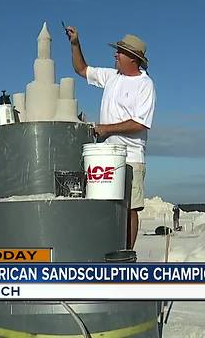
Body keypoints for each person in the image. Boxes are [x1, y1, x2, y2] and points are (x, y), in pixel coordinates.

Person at [65, 26, 156, 249]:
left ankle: (126, 253)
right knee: (106, 205)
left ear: (133, 59)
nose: (115, 55)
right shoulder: (112, 76)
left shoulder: (145, 85)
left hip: (131, 157)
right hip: (106, 154)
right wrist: (75, 43)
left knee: (130, 208)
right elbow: (81, 69)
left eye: (120, 52)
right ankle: (106, 247)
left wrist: (107, 129)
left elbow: (140, 123)